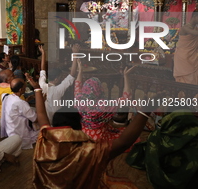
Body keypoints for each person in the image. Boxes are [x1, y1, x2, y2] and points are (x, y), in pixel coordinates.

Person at [28, 74, 156, 189]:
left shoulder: (44, 138)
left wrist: (37, 89)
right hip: (99, 136)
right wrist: (145, 111)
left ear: (54, 124)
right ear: (79, 125)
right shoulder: (89, 151)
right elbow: (124, 142)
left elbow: (41, 115)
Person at [74, 60, 135, 141]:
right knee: (127, 137)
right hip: (100, 138)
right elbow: (126, 98)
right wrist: (126, 76)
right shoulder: (103, 105)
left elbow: (77, 85)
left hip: (83, 135)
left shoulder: (79, 99)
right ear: (99, 90)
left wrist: (80, 71)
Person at [38, 44, 79, 123]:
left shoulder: (42, 85)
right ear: (56, 79)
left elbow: (42, 71)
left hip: (45, 119)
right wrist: (75, 54)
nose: (62, 78)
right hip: (56, 120)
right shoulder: (57, 90)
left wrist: (43, 54)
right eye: (60, 77)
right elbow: (72, 74)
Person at [0, 78, 39, 149]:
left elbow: (17, 109)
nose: (25, 88)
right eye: (25, 87)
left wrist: (26, 101)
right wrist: (41, 102)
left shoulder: (5, 96)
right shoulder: (21, 103)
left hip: (10, 133)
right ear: (21, 90)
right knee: (45, 129)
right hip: (22, 137)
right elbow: (35, 119)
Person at [173, 13, 198, 84]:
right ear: (194, 16)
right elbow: (195, 33)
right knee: (184, 79)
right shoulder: (185, 28)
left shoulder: (195, 28)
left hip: (193, 56)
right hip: (183, 57)